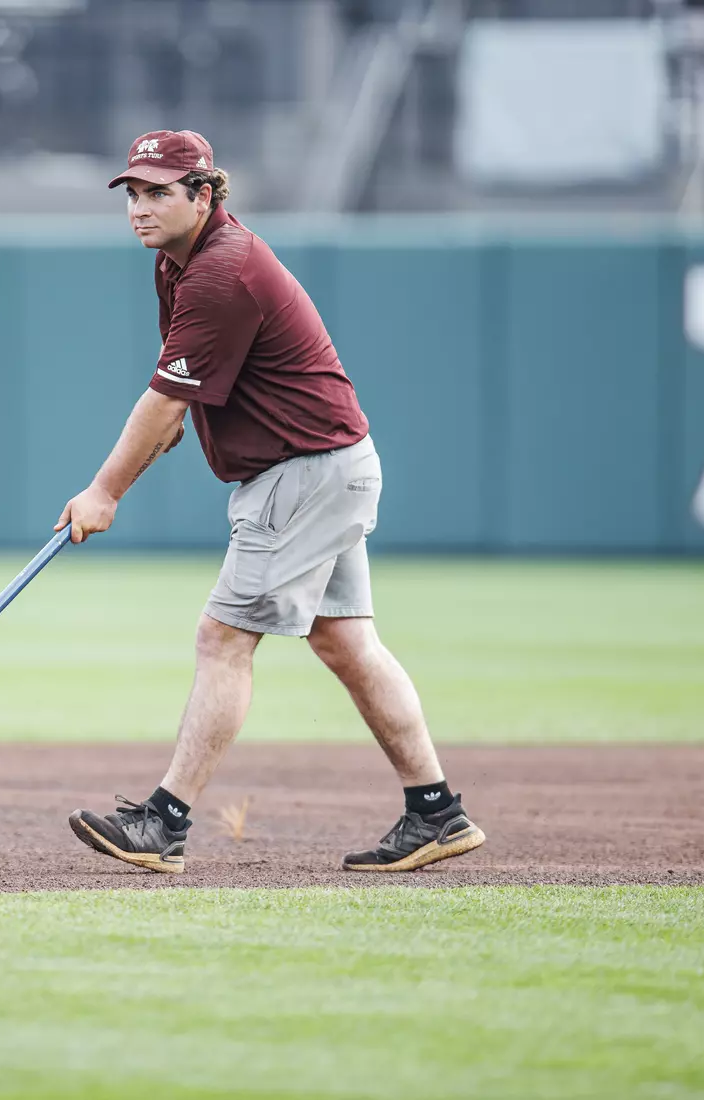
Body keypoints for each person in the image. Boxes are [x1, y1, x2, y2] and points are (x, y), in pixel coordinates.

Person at [58, 130, 485, 874]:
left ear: (204, 193)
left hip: (306, 474)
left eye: (158, 191)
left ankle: (164, 822)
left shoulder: (222, 271)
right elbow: (189, 392)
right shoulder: (177, 262)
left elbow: (164, 401)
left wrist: (104, 491)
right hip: (327, 466)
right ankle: (436, 812)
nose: (139, 206)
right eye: (132, 192)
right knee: (345, 642)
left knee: (222, 640)